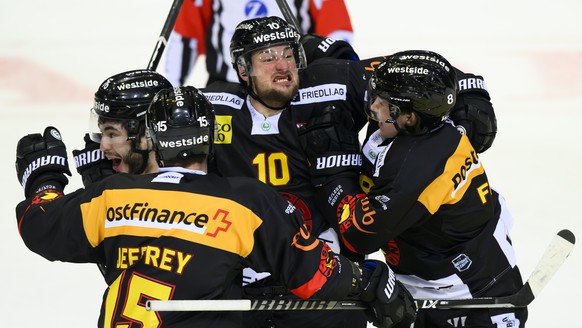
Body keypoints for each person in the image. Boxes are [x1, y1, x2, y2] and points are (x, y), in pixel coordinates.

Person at [14, 86, 416, 328]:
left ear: (154, 139)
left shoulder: (112, 194)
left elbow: (39, 225)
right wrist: (367, 280)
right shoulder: (243, 200)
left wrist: (44, 179)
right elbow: (312, 278)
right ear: (212, 136)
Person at [300, 50, 528, 327]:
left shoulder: (417, 165)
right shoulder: (417, 119)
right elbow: (418, 67)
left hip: (471, 292)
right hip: (423, 279)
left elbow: (361, 234)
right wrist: (333, 51)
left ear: (408, 116)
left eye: (381, 103)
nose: (373, 107)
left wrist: (333, 171)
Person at [164, 0, 354, 86]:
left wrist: (332, 80)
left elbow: (337, 30)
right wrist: (168, 89)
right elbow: (186, 35)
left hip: (289, 83)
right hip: (227, 85)